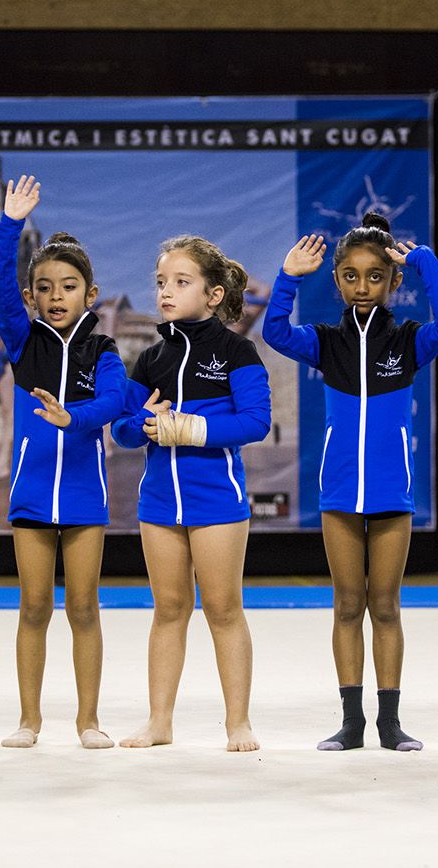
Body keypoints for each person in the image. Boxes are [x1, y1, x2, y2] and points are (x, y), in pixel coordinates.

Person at [263, 213, 438, 751]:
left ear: (394, 283)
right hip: (339, 497)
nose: (363, 286)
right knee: (348, 605)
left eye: (376, 276)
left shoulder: (410, 340)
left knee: (387, 606)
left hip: (392, 496)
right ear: (337, 281)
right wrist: (288, 277)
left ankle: (390, 724)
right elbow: (274, 331)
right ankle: (352, 723)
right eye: (351, 276)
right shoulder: (326, 343)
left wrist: (425, 265)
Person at [111, 236, 271, 752]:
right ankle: (159, 722)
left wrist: (192, 429)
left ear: (213, 294)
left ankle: (238, 723)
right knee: (168, 610)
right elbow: (124, 432)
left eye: (181, 282)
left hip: (217, 503)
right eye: (161, 282)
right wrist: (146, 421)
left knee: (223, 610)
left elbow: (256, 422)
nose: (166, 291)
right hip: (158, 503)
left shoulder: (236, 351)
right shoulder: (151, 358)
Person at [0, 175, 126, 750]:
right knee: (33, 606)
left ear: (89, 295)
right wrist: (11, 225)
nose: (56, 296)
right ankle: (29, 720)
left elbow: (117, 402)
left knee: (84, 608)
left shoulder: (104, 350)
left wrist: (76, 417)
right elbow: (0, 287)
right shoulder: (24, 344)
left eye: (68, 286)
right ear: (32, 297)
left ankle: (88, 720)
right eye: (44, 287)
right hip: (31, 495)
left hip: (83, 499)